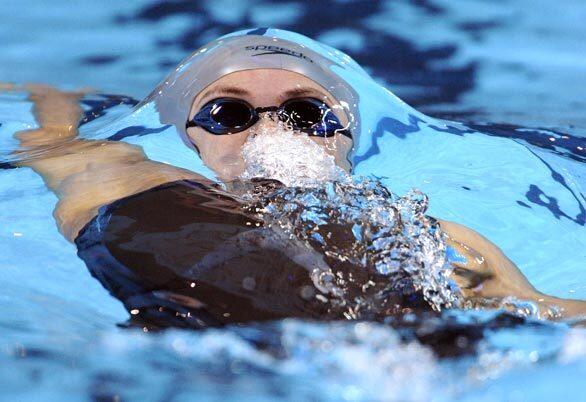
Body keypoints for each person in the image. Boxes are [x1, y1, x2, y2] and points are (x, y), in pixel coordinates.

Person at [10, 29, 585, 326]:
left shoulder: (444, 243)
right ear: (194, 141)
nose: (270, 132)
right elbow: (51, 141)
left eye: (307, 113)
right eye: (228, 113)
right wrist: (50, 90)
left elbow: (543, 313)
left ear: (344, 135)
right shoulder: (127, 181)